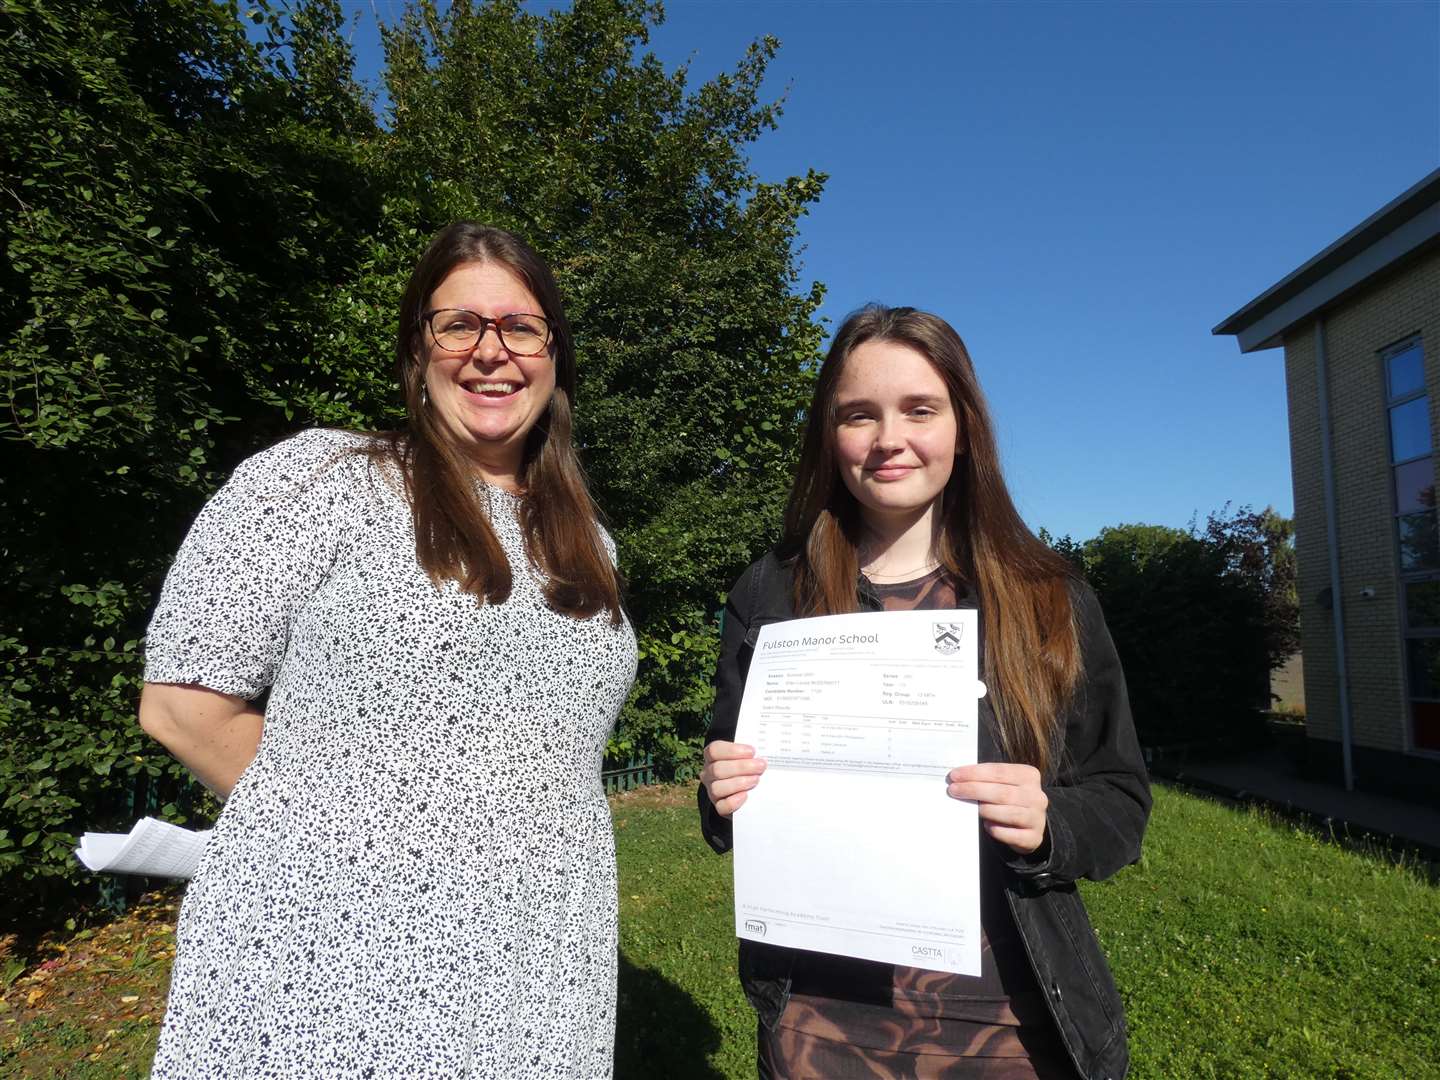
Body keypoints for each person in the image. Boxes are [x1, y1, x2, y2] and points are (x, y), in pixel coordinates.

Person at [138, 222, 638, 1078]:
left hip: (548, 962)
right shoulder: (326, 479)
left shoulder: (587, 541)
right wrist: (375, 854)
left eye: (520, 327)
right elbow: (183, 707)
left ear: (554, 355)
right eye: (459, 325)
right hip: (342, 963)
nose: (492, 352)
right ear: (419, 347)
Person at [699, 305, 1150, 1080]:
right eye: (858, 415)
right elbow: (726, 792)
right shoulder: (772, 593)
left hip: (1007, 1031)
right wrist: (720, 792)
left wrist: (1048, 823)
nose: (888, 440)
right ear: (828, 435)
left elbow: (1119, 797)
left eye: (919, 409)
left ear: (963, 427)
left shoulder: (1048, 597)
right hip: (820, 1030)